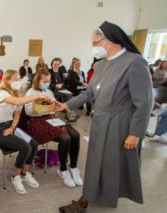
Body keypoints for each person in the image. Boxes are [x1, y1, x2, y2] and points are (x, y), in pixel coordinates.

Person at [58, 21, 153, 212]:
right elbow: (88, 94)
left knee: (112, 164)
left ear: (110, 40)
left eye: (95, 42)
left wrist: (135, 133)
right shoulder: (100, 65)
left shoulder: (134, 62)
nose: (94, 47)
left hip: (121, 125)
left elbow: (144, 102)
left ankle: (87, 200)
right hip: (101, 122)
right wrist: (66, 104)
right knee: (95, 162)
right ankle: (93, 195)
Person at [0, 70, 51, 195]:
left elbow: (17, 113)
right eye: (15, 79)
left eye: (19, 79)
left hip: (10, 126)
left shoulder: (16, 94)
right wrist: (38, 96)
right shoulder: (1, 93)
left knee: (34, 143)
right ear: (7, 80)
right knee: (25, 147)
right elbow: (18, 102)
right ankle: (16, 177)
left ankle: (25, 173)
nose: (18, 82)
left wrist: (12, 127)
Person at [25, 70, 82, 188]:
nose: (47, 83)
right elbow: (28, 111)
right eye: (45, 81)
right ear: (37, 81)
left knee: (75, 135)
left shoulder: (49, 91)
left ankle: (73, 167)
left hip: (51, 118)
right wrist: (40, 105)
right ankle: (63, 170)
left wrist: (55, 105)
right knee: (65, 138)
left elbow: (54, 108)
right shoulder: (30, 92)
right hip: (38, 122)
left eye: (49, 81)